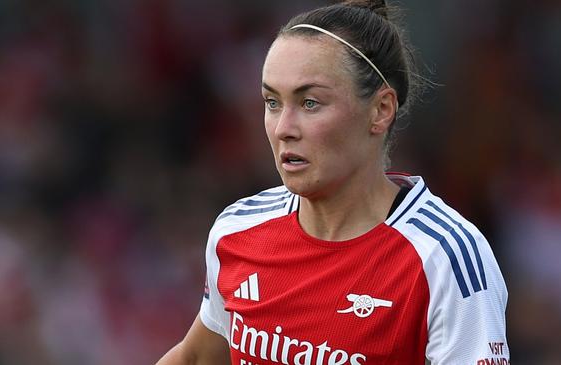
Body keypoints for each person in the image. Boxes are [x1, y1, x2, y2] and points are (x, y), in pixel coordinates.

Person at [156, 0, 509, 364]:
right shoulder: (237, 230)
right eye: (272, 102)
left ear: (381, 110)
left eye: (310, 103)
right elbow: (195, 357)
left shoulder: (446, 256)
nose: (283, 129)